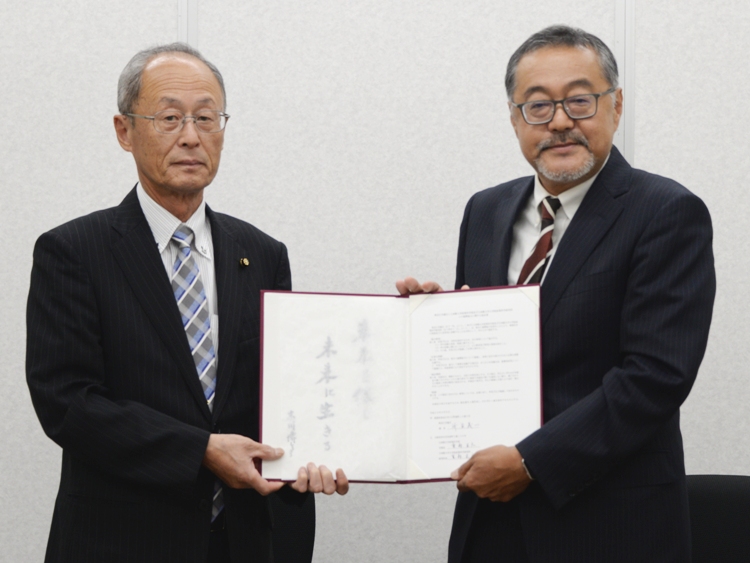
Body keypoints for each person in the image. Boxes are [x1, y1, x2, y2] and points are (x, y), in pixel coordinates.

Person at [397, 25, 715, 562]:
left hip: (610, 526)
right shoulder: (486, 210)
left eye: (580, 100)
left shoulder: (666, 212)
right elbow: (484, 359)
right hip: (491, 524)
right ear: (515, 118)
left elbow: (656, 377)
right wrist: (428, 325)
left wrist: (529, 462)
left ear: (616, 106)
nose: (561, 122)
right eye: (538, 106)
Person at [26, 43, 347, 563]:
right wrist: (200, 450)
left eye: (206, 117)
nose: (191, 136)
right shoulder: (74, 252)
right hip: (121, 540)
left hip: (244, 540)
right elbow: (67, 403)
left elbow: (289, 393)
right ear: (124, 130)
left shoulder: (262, 253)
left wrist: (319, 449)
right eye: (170, 117)